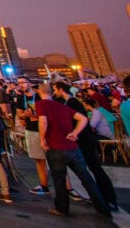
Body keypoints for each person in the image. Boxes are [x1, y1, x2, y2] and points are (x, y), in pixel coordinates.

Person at [34, 81, 111, 219]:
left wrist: (42, 139)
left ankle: (62, 208)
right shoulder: (62, 105)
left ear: (40, 93)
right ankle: (102, 207)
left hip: (55, 147)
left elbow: (43, 121)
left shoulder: (41, 104)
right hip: (73, 148)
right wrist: (75, 133)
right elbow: (82, 118)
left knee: (59, 180)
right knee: (86, 178)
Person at [52, 81, 119, 214]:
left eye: (55, 90)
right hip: (82, 140)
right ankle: (102, 198)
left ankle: (109, 199)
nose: (54, 93)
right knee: (89, 170)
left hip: (84, 141)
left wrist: (74, 133)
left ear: (61, 90)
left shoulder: (72, 103)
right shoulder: (71, 102)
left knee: (95, 169)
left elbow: (80, 120)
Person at [14, 77, 49, 195]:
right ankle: (44, 185)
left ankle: (67, 188)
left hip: (45, 130)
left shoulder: (40, 96)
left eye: (23, 83)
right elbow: (19, 114)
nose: (21, 85)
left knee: (54, 161)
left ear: (29, 83)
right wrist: (25, 114)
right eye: (19, 84)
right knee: (39, 160)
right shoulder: (20, 98)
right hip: (31, 130)